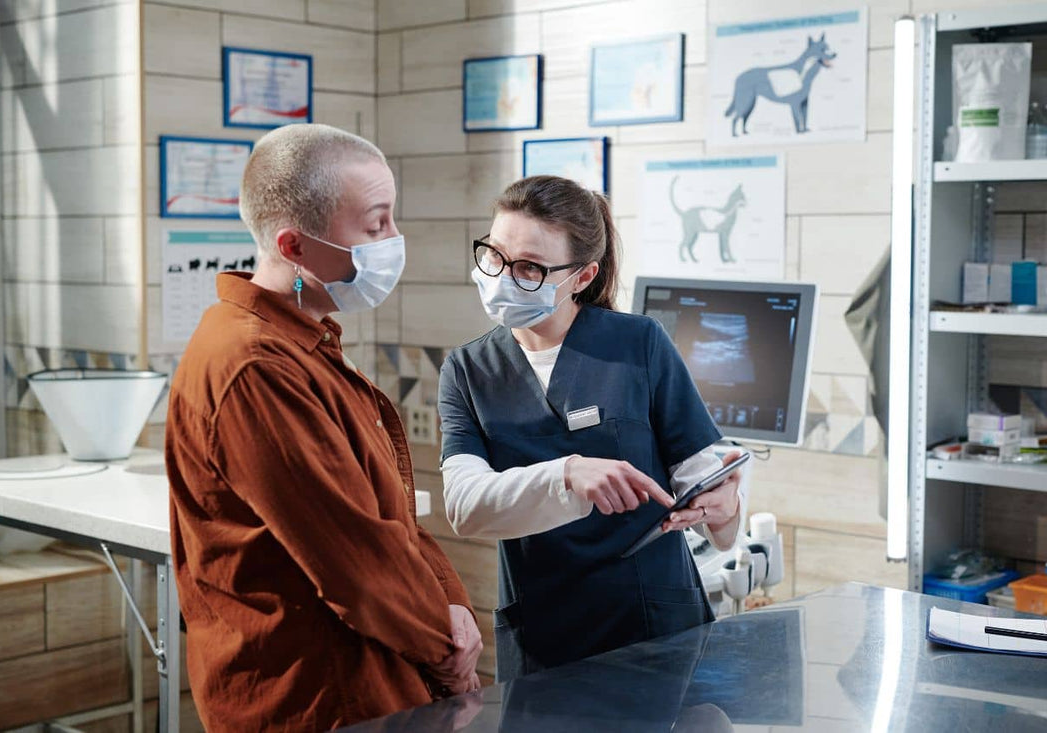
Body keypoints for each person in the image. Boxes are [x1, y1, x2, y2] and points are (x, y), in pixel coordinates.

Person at [165, 124, 482, 731]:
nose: (394, 241)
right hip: (314, 697)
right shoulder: (253, 366)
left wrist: (452, 606)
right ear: (294, 246)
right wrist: (451, 658)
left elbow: (392, 521)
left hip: (369, 679)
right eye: (375, 224)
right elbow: (356, 561)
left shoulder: (306, 341)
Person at [437, 175, 746, 681]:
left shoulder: (639, 344)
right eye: (493, 256)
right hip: (542, 632)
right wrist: (567, 473)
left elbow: (708, 492)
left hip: (654, 626)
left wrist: (725, 508)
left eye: (530, 268)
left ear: (582, 277)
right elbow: (467, 508)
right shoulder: (469, 371)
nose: (503, 276)